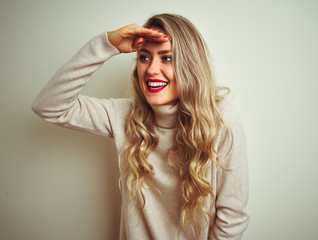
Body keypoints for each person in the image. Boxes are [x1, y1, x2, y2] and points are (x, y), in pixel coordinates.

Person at [32, 13, 249, 240]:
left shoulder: (221, 117)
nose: (151, 69)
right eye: (144, 58)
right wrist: (106, 45)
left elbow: (232, 217)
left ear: (190, 66)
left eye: (167, 58)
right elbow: (48, 106)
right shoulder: (126, 116)